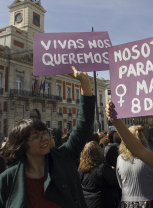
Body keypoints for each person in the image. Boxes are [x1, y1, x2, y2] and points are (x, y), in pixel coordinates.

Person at [0, 67, 95, 208]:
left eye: (45, 133)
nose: (44, 138)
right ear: (22, 145)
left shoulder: (63, 157)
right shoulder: (7, 179)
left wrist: (85, 82)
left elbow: (83, 124)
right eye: (36, 136)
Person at [116, 125, 153, 207]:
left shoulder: (120, 159)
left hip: (127, 203)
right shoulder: (152, 157)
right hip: (150, 201)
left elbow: (121, 184)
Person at [78, 141, 120, 208]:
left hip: (86, 203)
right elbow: (116, 181)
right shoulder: (102, 168)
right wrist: (113, 170)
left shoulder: (81, 169)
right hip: (101, 203)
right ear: (97, 152)